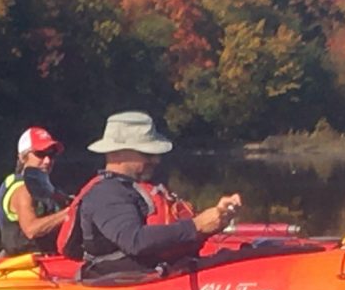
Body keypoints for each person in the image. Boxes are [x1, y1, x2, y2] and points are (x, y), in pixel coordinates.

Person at [55, 112, 242, 274]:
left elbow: (165, 236)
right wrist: (196, 226)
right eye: (148, 153)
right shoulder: (106, 194)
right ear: (118, 152)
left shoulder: (132, 189)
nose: (156, 159)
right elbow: (134, 241)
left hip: (159, 274)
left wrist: (217, 220)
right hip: (123, 285)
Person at [0, 125, 72, 255]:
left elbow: (67, 202)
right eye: (40, 154)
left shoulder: (41, 185)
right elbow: (31, 230)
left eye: (51, 154)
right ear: (22, 157)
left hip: (44, 258)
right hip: (26, 263)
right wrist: (68, 214)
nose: (47, 161)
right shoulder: (23, 189)